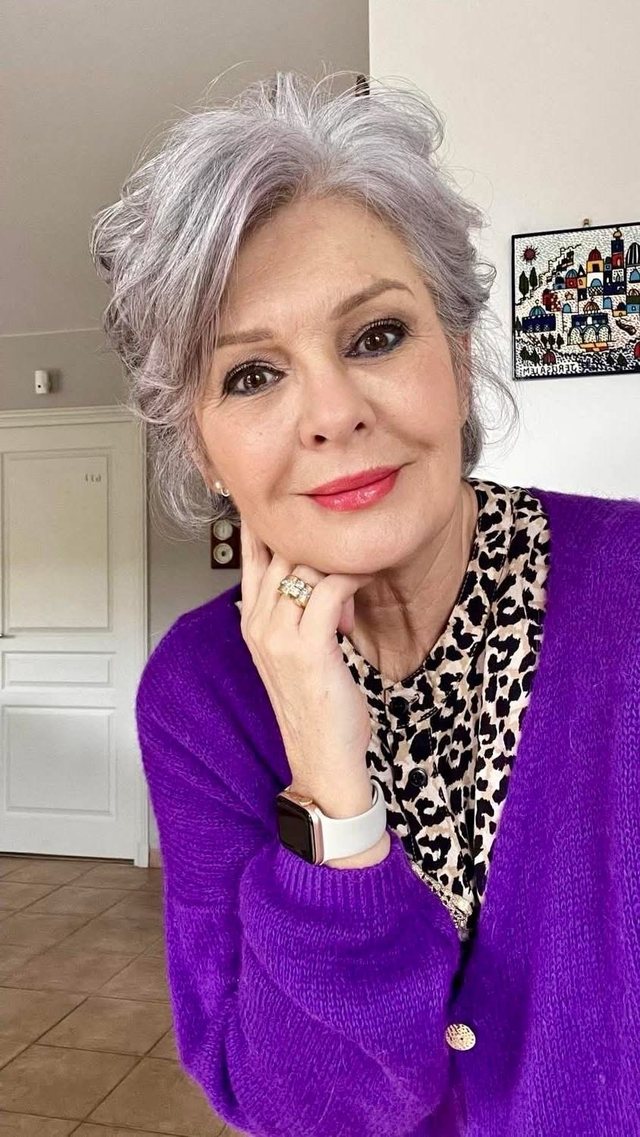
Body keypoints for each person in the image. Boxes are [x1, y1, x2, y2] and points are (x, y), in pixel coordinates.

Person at [90, 70, 640, 1137]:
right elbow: (305, 1112)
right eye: (252, 375)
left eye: (375, 336)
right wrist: (328, 784)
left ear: (458, 356)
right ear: (201, 449)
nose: (333, 412)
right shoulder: (199, 693)